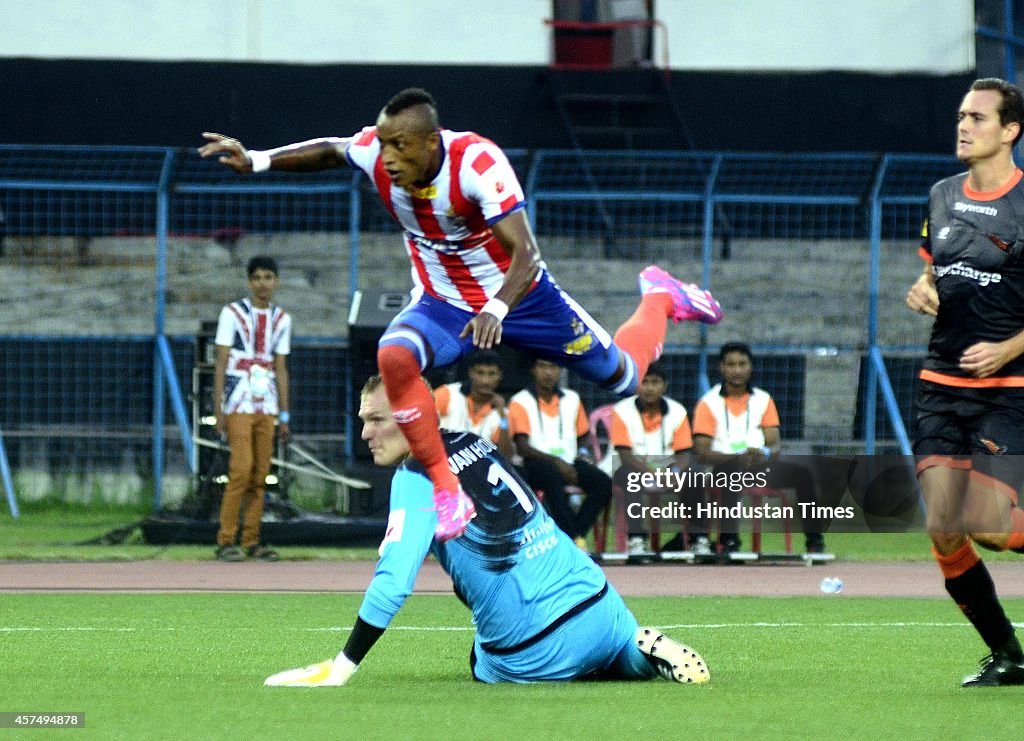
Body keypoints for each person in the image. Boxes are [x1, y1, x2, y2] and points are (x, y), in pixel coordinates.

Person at [198, 87, 721, 542]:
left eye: (400, 146)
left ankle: (659, 295)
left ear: (432, 142)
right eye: (384, 144)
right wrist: (258, 160)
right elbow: (333, 151)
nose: (389, 158)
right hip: (443, 302)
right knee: (393, 354)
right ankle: (447, 493)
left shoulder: (477, 163)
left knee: (625, 377)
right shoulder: (378, 154)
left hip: (525, 298)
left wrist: (497, 306)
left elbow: (526, 253)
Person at [263, 375, 710, 686]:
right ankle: (638, 656)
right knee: (610, 649)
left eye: (377, 419)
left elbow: (394, 583)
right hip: (603, 605)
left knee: (483, 661)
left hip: (533, 649)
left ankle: (597, 658)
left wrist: (342, 666)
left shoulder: (415, 478)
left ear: (411, 416)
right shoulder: (474, 442)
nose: (365, 433)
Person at [904, 77, 1024, 687]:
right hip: (940, 383)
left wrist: (1009, 346)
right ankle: (1009, 655)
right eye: (960, 116)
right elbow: (935, 274)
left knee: (988, 526)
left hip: (1010, 390)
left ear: (1010, 131)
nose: (963, 126)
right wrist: (923, 289)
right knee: (944, 529)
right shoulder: (942, 195)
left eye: (978, 118)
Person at [691, 342, 826, 555]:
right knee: (731, 471)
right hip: (721, 468)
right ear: (722, 368)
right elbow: (702, 451)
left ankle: (815, 542)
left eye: (742, 364)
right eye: (731, 364)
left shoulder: (763, 400)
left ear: (750, 367)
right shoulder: (708, 403)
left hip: (758, 466)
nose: (737, 370)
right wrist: (735, 458)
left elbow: (774, 445)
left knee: (803, 475)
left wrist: (762, 454)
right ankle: (728, 541)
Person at [212, 256, 291, 562]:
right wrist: (218, 409)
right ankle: (226, 539)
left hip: (267, 402)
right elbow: (220, 361)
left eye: (268, 277)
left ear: (276, 281)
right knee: (241, 470)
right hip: (239, 400)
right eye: (257, 277)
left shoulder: (282, 319)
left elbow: (281, 368)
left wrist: (285, 415)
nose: (263, 283)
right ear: (249, 282)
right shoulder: (231, 314)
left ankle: (252, 540)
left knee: (260, 474)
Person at [508, 358, 612, 549]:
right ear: (533, 369)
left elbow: (582, 436)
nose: (548, 373)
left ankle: (575, 534)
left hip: (569, 461)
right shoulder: (520, 401)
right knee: (551, 476)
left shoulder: (572, 399)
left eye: (553, 366)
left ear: (561, 370)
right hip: (534, 463)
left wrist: (581, 454)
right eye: (543, 366)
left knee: (603, 482)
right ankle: (573, 536)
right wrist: (556, 462)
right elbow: (523, 447)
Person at [608, 361, 708, 555]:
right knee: (630, 476)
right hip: (631, 467)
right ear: (638, 385)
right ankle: (637, 540)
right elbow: (625, 456)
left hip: (669, 469)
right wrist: (655, 474)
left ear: (664, 386)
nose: (650, 388)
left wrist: (674, 472)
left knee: (693, 474)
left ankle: (699, 540)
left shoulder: (677, 411)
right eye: (645, 382)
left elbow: (684, 454)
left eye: (655, 382)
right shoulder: (621, 410)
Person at [434, 349, 515, 460]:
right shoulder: (447, 393)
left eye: (492, 374)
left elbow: (506, 457)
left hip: (477, 472)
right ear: (471, 372)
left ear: (500, 376)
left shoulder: (503, 414)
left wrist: (502, 415)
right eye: (480, 373)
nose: (485, 381)